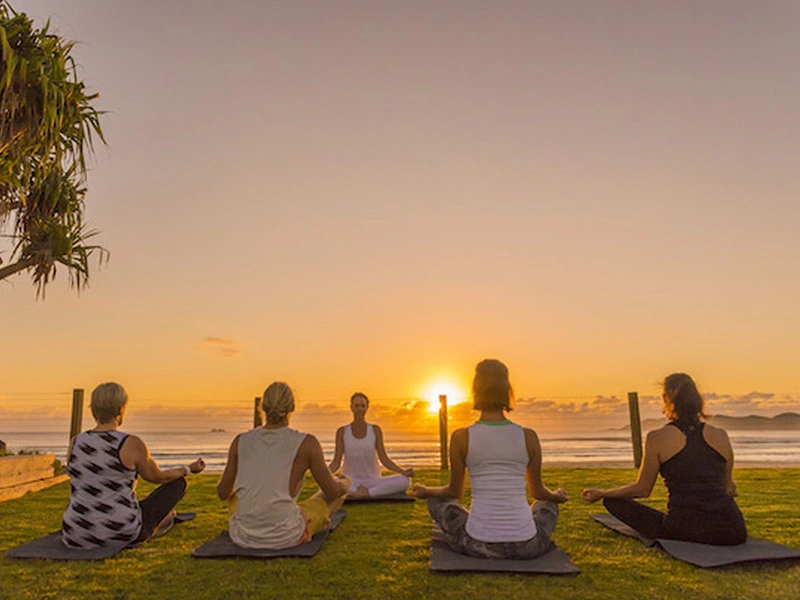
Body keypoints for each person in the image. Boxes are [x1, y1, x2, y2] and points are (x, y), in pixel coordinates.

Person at [412, 359, 568, 559]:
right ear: (507, 391)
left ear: (476, 391)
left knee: (435, 499)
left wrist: (427, 491)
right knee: (547, 504)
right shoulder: (529, 436)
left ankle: (481, 523)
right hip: (527, 546)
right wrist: (557, 495)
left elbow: (454, 492)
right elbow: (538, 492)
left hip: (478, 544)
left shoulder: (461, 437)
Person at [582, 372, 747, 545]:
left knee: (613, 502)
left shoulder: (657, 438)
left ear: (665, 398)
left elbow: (642, 489)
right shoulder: (721, 435)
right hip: (732, 531)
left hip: (684, 530)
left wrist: (602, 493)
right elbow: (729, 487)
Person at [62, 382, 205, 549]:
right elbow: (158, 477)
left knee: (135, 505)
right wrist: (188, 469)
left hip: (76, 532)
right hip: (120, 532)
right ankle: (165, 519)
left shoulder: (76, 441)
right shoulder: (130, 443)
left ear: (93, 409)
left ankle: (164, 518)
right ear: (121, 410)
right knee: (178, 484)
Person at [217, 381, 350, 549]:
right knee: (331, 497)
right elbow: (332, 492)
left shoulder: (240, 441)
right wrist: (345, 483)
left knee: (236, 496)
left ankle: (266, 516)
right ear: (292, 407)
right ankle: (297, 518)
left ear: (263, 407)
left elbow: (222, 493)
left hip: (242, 535)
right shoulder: (307, 443)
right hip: (285, 535)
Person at [328, 392, 414, 499]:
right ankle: (363, 492)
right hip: (350, 482)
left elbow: (384, 459)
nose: (360, 409)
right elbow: (336, 462)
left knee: (405, 481)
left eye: (362, 406)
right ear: (351, 408)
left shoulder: (375, 430)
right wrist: (324, 474)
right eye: (357, 406)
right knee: (326, 483)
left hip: (374, 481)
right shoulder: (342, 431)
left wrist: (402, 471)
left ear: (367, 408)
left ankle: (366, 493)